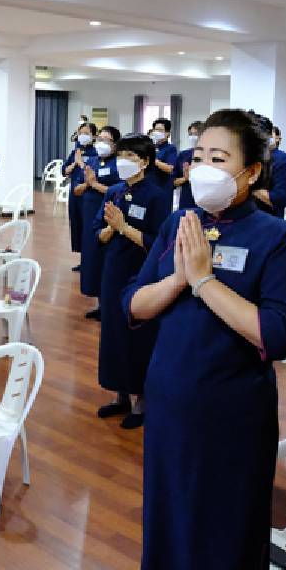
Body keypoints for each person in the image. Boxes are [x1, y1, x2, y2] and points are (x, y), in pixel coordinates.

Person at [125, 109, 286, 570]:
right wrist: (179, 279)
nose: (203, 167)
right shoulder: (178, 225)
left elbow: (280, 334)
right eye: (199, 155)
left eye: (220, 158)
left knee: (224, 533)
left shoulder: (276, 237)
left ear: (251, 172)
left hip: (231, 412)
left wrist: (205, 281)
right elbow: (135, 303)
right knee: (169, 522)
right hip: (169, 401)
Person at [94, 134, 170, 429]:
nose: (123, 161)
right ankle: (119, 394)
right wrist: (112, 230)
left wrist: (124, 227)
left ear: (146, 162)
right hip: (113, 269)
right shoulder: (112, 192)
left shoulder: (156, 195)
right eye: (120, 154)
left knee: (137, 334)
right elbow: (98, 234)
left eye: (131, 156)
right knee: (113, 331)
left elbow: (157, 242)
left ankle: (142, 399)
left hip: (142, 273)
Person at [76, 125, 121, 320]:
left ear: (115, 144)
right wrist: (87, 183)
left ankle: (109, 305)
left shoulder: (118, 164)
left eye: (107, 140)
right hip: (88, 213)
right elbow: (77, 190)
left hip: (107, 214)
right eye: (99, 139)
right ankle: (100, 304)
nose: (102, 143)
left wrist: (94, 184)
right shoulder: (92, 161)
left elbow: (117, 191)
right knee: (91, 259)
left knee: (105, 259)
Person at [63, 122, 99, 270]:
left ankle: (90, 261)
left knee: (87, 226)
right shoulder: (75, 152)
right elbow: (65, 170)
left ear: (93, 136)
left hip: (88, 194)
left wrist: (80, 163)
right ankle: (83, 259)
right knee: (77, 224)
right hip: (74, 193)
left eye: (86, 133)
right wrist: (75, 164)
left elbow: (92, 172)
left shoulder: (96, 153)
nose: (82, 136)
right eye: (80, 132)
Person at [173, 120, 204, 210]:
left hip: (205, 200)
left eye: (196, 134)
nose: (192, 137)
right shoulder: (183, 155)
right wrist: (185, 178)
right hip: (186, 200)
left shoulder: (210, 156)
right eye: (190, 134)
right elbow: (173, 181)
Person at [147, 118, 178, 196]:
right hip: (148, 186)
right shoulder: (149, 147)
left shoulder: (170, 148)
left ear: (167, 133)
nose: (156, 132)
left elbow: (170, 168)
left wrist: (154, 160)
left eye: (160, 130)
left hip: (163, 188)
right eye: (155, 130)